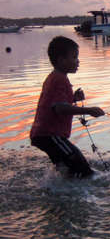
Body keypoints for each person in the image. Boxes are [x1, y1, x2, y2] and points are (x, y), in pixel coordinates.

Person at [30, 36, 105, 177]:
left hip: (44, 135)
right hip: (49, 135)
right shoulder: (59, 79)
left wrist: (73, 98)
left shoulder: (56, 77)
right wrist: (88, 110)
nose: (78, 61)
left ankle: (58, 193)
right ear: (61, 60)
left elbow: (56, 103)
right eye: (74, 57)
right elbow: (60, 108)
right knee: (83, 169)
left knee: (68, 171)